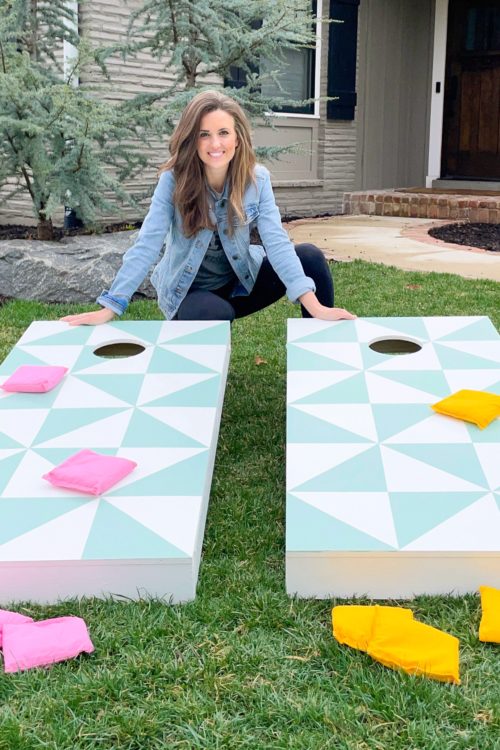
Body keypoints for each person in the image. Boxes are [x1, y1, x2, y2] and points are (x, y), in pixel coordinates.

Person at [61, 90, 355, 326]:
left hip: (240, 282)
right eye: (204, 134)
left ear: (237, 138)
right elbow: (147, 244)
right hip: (191, 294)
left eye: (223, 133)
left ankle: (320, 356)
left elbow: (276, 241)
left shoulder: (257, 180)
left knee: (310, 258)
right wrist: (111, 305)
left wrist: (314, 306)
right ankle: (205, 384)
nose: (215, 143)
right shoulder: (173, 181)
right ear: (193, 139)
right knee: (212, 311)